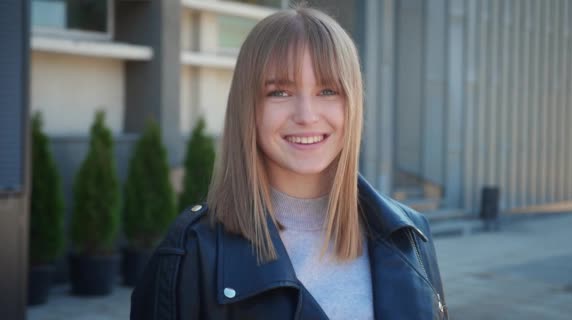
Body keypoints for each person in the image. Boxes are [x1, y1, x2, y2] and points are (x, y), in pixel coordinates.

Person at [131, 5, 447, 320]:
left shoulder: (411, 236)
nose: (307, 115)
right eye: (280, 92)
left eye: (327, 90)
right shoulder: (191, 253)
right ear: (248, 107)